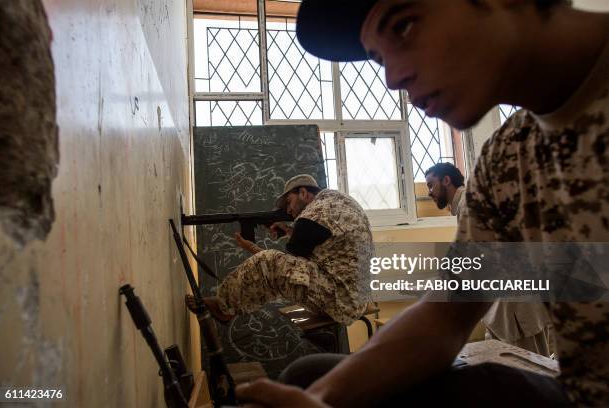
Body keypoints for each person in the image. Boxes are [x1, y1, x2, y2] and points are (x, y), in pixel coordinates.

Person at [234, 0, 609, 406]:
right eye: (378, 58)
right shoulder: (507, 156)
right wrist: (323, 400)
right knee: (311, 378)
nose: (393, 78)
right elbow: (447, 313)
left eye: (405, 27)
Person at [195, 174, 374, 326]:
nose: (289, 211)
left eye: (289, 202)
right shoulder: (337, 203)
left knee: (269, 261)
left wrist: (255, 249)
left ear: (303, 193)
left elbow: (288, 267)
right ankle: (229, 305)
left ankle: (224, 307)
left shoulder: (316, 212)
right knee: (272, 263)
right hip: (350, 297)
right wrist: (289, 231)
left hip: (341, 302)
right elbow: (322, 249)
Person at [426, 162, 555, 356]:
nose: (429, 192)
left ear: (446, 180)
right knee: (508, 364)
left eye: (431, 184)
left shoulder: (469, 203)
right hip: (509, 300)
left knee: (530, 367)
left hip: (515, 304)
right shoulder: (468, 203)